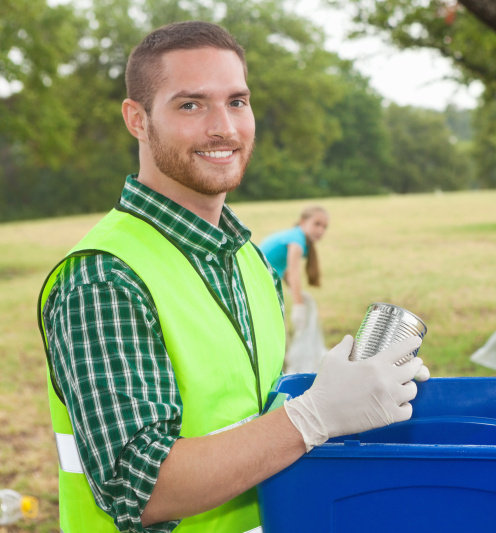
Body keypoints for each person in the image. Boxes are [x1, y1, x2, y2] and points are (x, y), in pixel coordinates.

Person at [37, 21, 429, 533]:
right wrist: (313, 416)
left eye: (237, 101)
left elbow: (244, 417)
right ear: (137, 119)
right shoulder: (103, 276)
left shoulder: (249, 260)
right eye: (191, 105)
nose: (223, 127)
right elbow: (145, 488)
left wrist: (350, 396)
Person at [259, 205, 329, 331]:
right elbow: (293, 273)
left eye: (324, 227)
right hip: (257, 282)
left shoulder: (299, 239)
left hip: (265, 283)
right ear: (303, 222)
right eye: (317, 224)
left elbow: (284, 270)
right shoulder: (296, 241)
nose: (321, 230)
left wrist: (296, 293)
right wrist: (298, 306)